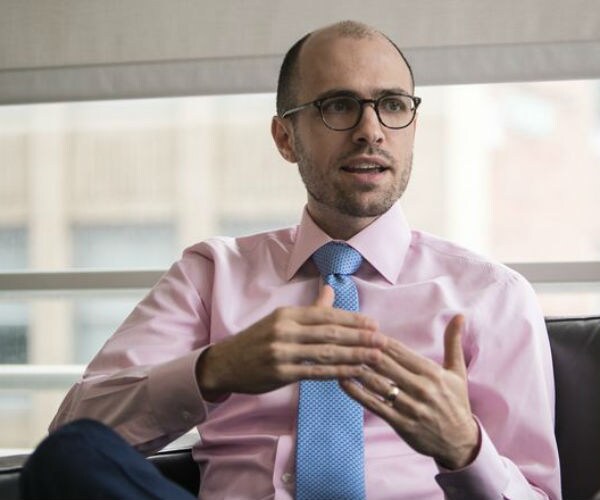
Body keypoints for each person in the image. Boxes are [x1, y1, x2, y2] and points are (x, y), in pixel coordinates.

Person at [22, 20, 561, 500]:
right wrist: (217, 369)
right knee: (70, 458)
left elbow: (540, 493)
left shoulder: (491, 295)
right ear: (285, 137)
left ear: (412, 128)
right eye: (339, 105)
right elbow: (76, 431)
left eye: (393, 104)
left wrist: (463, 447)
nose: (371, 130)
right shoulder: (212, 274)